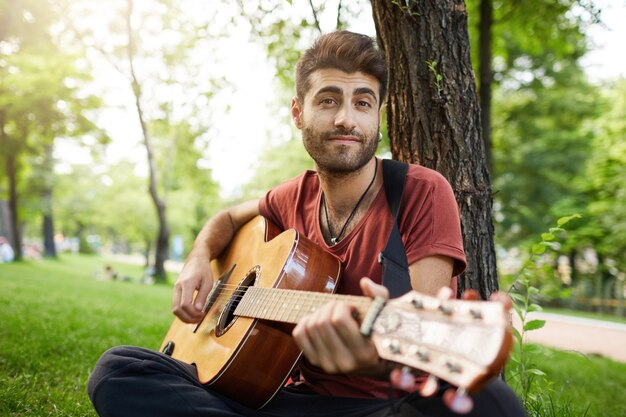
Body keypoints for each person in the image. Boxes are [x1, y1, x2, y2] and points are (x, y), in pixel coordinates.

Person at [87, 31, 526, 416]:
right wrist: (198, 257)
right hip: (281, 398)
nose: (346, 119)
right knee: (118, 370)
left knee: (493, 404)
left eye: (363, 102)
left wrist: (372, 359)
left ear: (378, 117)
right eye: (329, 100)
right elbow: (226, 218)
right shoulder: (290, 196)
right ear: (298, 113)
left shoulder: (422, 191)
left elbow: (427, 353)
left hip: (381, 406)